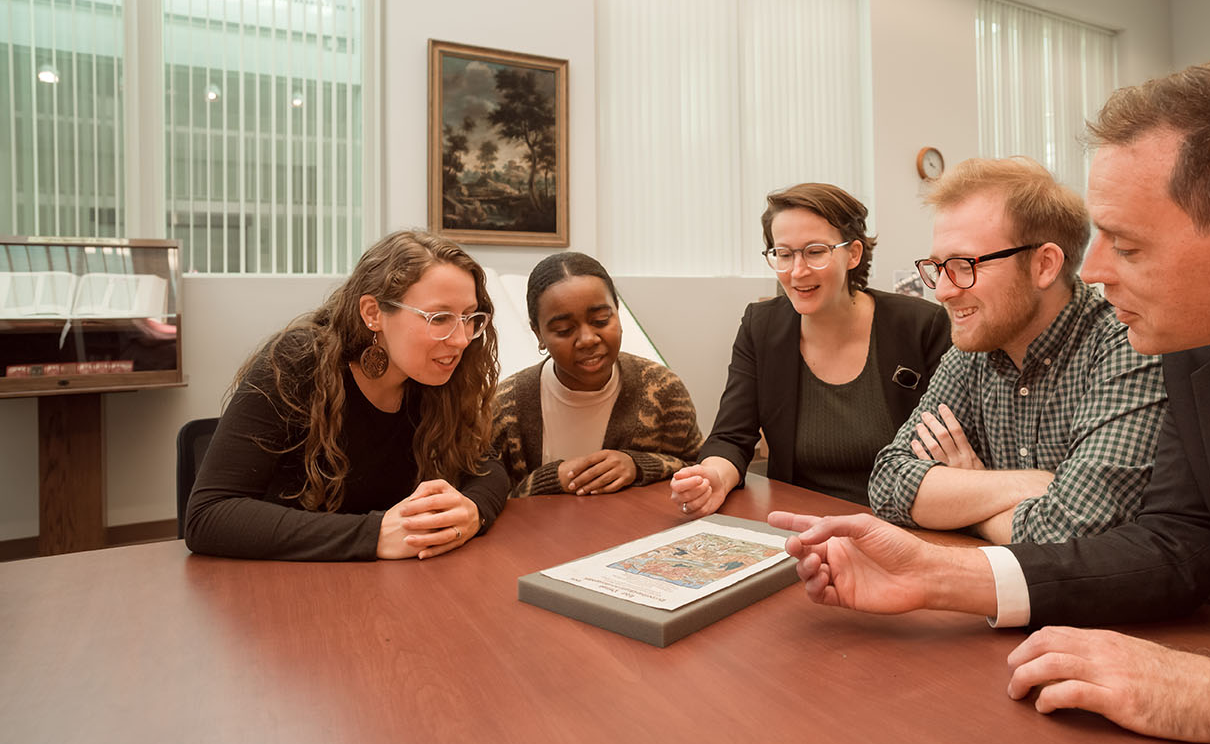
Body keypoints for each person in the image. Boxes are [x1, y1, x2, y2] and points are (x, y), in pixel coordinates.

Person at [770, 59, 1210, 744]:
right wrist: (937, 576)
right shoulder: (1205, 345)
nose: (1090, 274)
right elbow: (1178, 545)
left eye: (1126, 244)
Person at [868, 157, 1164, 544]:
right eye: (937, 267)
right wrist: (1026, 485)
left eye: (963, 265)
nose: (941, 291)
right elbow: (888, 483)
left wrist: (965, 502)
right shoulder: (973, 347)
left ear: (1044, 265)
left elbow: (1074, 529)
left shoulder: (1125, 342)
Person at [186, 230, 508, 561]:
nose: (461, 339)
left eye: (469, 317)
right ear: (373, 313)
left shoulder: (444, 377)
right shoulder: (297, 363)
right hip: (287, 587)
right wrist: (375, 535)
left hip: (391, 586)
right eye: (439, 318)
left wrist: (473, 511)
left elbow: (487, 464)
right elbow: (209, 515)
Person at [670, 182, 951, 513]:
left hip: (902, 522)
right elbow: (731, 437)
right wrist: (714, 475)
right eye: (784, 254)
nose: (797, 272)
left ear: (854, 254)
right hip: (800, 528)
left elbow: (947, 453)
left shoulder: (920, 326)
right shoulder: (761, 328)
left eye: (815, 251)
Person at [494, 251, 703, 496]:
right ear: (538, 333)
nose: (588, 340)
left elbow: (701, 471)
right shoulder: (506, 406)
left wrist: (637, 466)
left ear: (618, 313)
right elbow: (484, 504)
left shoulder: (663, 390)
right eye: (564, 330)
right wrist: (550, 481)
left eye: (602, 320)